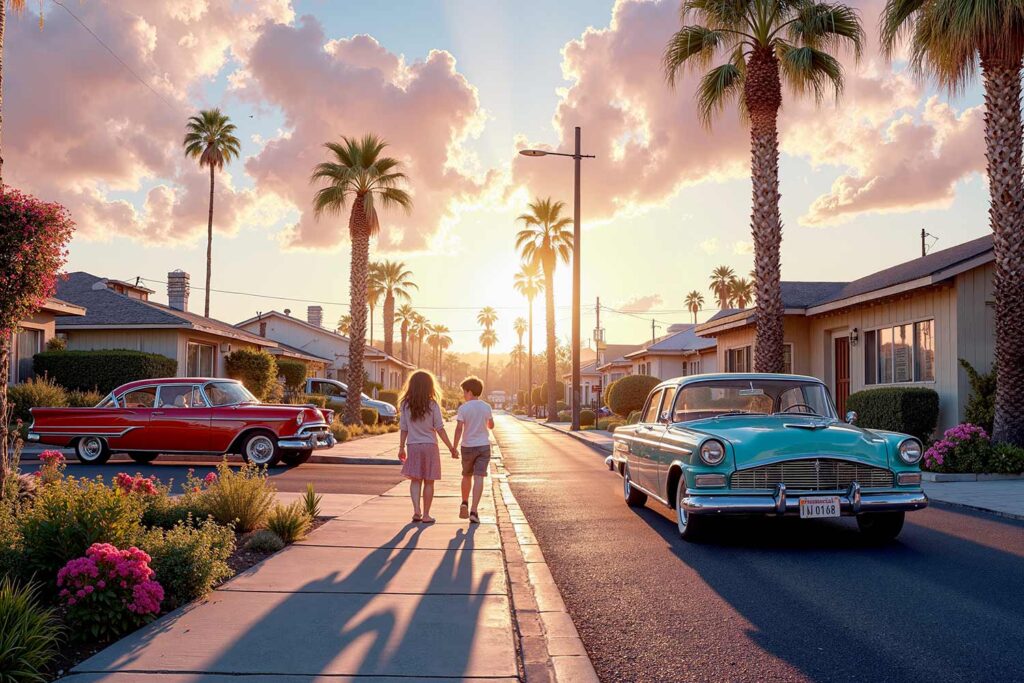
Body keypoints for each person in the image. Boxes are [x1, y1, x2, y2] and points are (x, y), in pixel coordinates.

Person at [397, 370, 456, 524]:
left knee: (415, 480)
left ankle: (417, 510)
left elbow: (404, 428)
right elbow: (440, 428)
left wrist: (401, 447)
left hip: (413, 446)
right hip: (430, 446)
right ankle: (426, 515)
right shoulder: (433, 404)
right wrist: (451, 447)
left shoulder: (405, 404)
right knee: (429, 481)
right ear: (430, 386)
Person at [453, 376, 494, 524]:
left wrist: (453, 447)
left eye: (464, 392)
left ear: (469, 392)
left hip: (467, 447)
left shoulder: (463, 408)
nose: (463, 395)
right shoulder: (486, 407)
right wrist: (485, 422)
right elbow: (491, 425)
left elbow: (459, 429)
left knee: (466, 475)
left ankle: (464, 502)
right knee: (479, 477)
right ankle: (474, 511)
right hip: (483, 446)